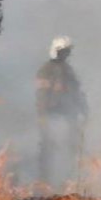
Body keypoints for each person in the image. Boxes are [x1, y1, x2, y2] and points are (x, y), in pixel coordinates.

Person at [36, 36, 88, 187]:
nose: (66, 54)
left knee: (70, 147)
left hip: (68, 114)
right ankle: (45, 183)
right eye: (64, 51)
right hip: (53, 114)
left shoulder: (68, 70)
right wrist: (43, 115)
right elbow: (42, 95)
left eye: (67, 51)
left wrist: (84, 109)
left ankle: (67, 181)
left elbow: (77, 92)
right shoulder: (47, 70)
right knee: (50, 149)